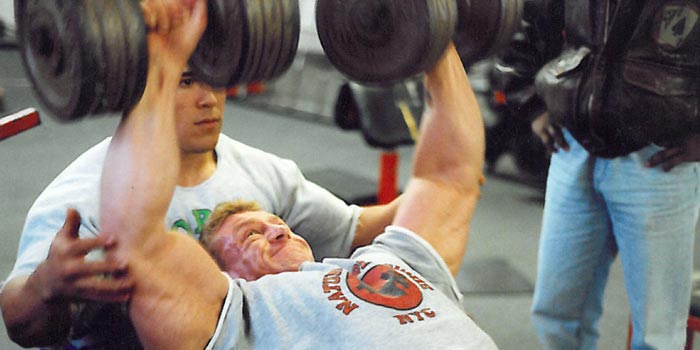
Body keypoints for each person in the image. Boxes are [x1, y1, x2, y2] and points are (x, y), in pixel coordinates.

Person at [50, 0, 494, 348]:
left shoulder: (383, 262)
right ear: (218, 277)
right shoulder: (233, 319)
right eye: (250, 238)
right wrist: (163, 59)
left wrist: (432, 38)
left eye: (276, 225)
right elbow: (136, 235)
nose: (276, 233)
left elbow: (448, 176)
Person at [0, 5, 398, 350]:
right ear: (134, 83)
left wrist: (440, 186)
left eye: (214, 78)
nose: (209, 98)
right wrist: (44, 287)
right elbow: (19, 322)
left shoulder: (261, 170)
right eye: (186, 81)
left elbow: (355, 228)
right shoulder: (81, 198)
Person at [520, 0, 700, 348]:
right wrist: (533, 103)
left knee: (656, 336)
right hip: (573, 147)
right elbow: (531, 20)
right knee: (556, 315)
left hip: (659, 159)